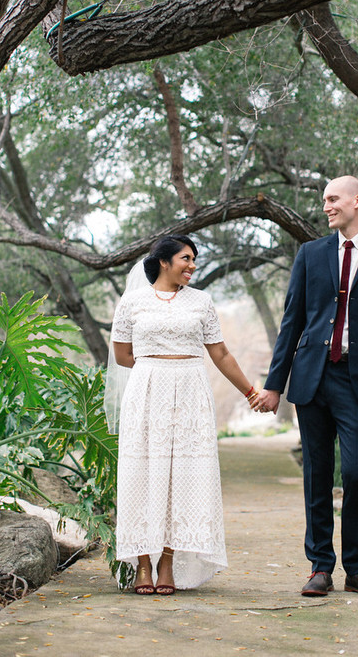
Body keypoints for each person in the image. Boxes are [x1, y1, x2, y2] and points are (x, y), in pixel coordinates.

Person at [254, 176, 358, 598]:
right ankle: (320, 566)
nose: (326, 206)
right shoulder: (310, 254)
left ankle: (357, 569)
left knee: (357, 475)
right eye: (324, 200)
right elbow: (292, 322)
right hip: (312, 378)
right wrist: (274, 385)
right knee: (317, 475)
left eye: (333, 199)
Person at [108, 234, 259, 595]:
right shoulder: (132, 302)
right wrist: (155, 368)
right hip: (146, 393)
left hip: (191, 394)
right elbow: (122, 356)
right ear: (163, 260)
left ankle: (167, 563)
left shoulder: (202, 303)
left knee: (183, 478)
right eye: (186, 258)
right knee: (142, 473)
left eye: (194, 259)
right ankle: (142, 563)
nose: (192, 265)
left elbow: (220, 354)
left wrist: (251, 392)